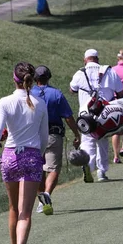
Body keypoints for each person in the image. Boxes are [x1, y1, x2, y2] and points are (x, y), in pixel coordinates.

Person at [0, 62, 48, 244]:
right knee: (25, 212)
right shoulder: (40, 103)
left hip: (9, 157)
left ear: (14, 79)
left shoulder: (5, 102)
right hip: (31, 157)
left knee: (13, 208)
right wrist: (39, 154)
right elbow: (44, 137)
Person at [30, 65, 80, 215]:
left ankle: (41, 202)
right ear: (49, 77)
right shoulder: (56, 94)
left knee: (39, 169)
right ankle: (47, 194)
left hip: (34, 136)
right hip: (53, 135)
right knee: (53, 169)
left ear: (35, 79)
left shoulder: (29, 93)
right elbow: (68, 117)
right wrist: (77, 134)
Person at [70, 49, 123, 183]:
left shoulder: (80, 73)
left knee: (87, 143)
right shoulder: (110, 72)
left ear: (85, 59)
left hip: (85, 115)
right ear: (97, 59)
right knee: (102, 141)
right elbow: (120, 94)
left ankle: (88, 165)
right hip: (105, 114)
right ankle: (102, 172)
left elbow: (72, 89)